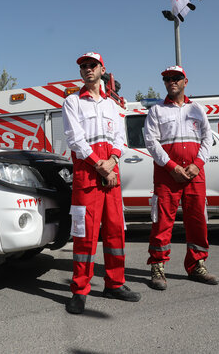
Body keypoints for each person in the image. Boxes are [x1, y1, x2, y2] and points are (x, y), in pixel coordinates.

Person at [62, 51, 141, 314]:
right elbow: (76, 140)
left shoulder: (111, 105)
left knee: (115, 232)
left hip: (110, 176)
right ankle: (80, 290)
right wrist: (101, 165)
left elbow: (119, 138)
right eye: (83, 66)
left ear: (101, 69)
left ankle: (115, 284)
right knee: (84, 237)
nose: (87, 69)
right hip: (88, 178)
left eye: (92, 65)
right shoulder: (72, 102)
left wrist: (113, 162)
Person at [143, 65, 219, 290]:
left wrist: (198, 164)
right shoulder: (156, 111)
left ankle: (196, 266)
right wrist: (171, 166)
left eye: (176, 78)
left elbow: (207, 139)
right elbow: (151, 141)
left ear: (185, 81)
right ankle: (157, 266)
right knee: (162, 222)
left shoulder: (197, 109)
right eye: (167, 79)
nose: (171, 81)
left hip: (195, 174)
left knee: (197, 221)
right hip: (168, 176)